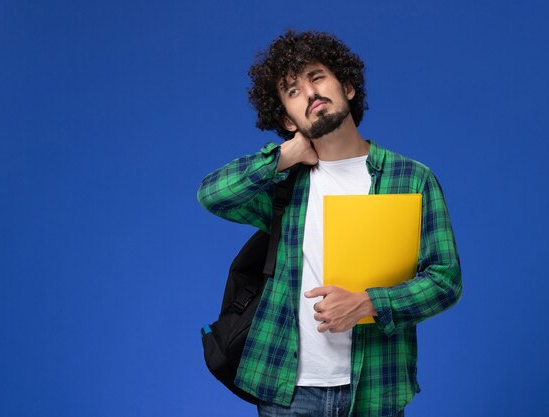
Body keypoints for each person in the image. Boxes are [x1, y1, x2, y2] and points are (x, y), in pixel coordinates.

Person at [197, 30, 462, 417]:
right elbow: (212, 194)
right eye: (292, 90)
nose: (309, 92)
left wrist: (369, 303)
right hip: (287, 390)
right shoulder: (284, 184)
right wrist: (281, 158)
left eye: (317, 77)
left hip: (375, 387)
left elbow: (445, 280)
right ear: (287, 120)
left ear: (348, 87)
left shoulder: (411, 178)